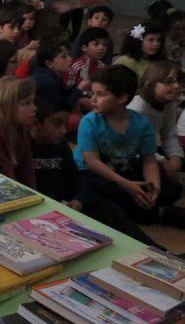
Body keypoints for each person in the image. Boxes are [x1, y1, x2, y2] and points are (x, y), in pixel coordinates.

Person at [75, 65, 185, 238]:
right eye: (92, 93)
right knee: (103, 193)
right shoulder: (90, 122)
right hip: (91, 174)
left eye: (101, 94)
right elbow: (92, 162)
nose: (93, 99)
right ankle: (158, 213)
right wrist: (127, 185)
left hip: (123, 169)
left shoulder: (141, 124)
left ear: (122, 97)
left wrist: (152, 185)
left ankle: (148, 207)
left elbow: (149, 159)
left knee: (171, 189)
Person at [128, 61, 184, 178]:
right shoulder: (137, 108)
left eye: (178, 81)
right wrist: (163, 161)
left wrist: (175, 157)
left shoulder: (169, 103)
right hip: (130, 153)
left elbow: (169, 134)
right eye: (169, 82)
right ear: (149, 85)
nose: (176, 86)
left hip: (149, 149)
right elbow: (135, 145)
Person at [31, 99, 88, 212]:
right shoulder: (23, 146)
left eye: (65, 124)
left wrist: (79, 199)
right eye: (57, 124)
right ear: (37, 123)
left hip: (60, 203)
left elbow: (74, 174)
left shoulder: (60, 143)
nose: (63, 130)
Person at [31, 36, 90, 132]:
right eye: (64, 57)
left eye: (68, 55)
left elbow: (64, 93)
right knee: (76, 120)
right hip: (43, 120)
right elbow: (64, 108)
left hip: (54, 112)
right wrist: (80, 88)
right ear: (49, 63)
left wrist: (77, 86)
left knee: (84, 101)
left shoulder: (53, 75)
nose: (70, 59)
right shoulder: (47, 81)